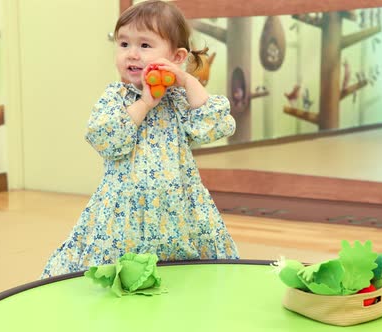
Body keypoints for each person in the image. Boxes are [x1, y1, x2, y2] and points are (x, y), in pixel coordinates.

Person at [41, 0, 239, 278]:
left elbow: (214, 126)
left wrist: (187, 80)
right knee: (122, 274)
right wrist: (145, 102)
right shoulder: (115, 98)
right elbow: (107, 140)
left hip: (180, 207)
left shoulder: (178, 100)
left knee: (186, 275)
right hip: (124, 213)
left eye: (145, 46)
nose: (131, 54)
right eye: (124, 44)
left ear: (177, 56)